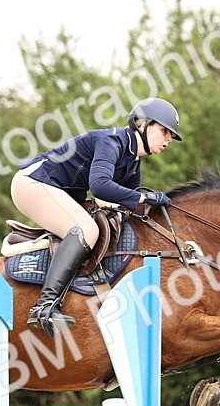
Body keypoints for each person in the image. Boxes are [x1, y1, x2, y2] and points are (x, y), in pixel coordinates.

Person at [11, 97, 182, 336]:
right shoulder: (111, 140)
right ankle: (44, 306)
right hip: (33, 182)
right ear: (142, 123)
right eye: (164, 131)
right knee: (86, 229)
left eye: (171, 136)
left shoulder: (133, 164)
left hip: (58, 191)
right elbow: (100, 186)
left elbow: (127, 205)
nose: (168, 139)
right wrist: (145, 198)